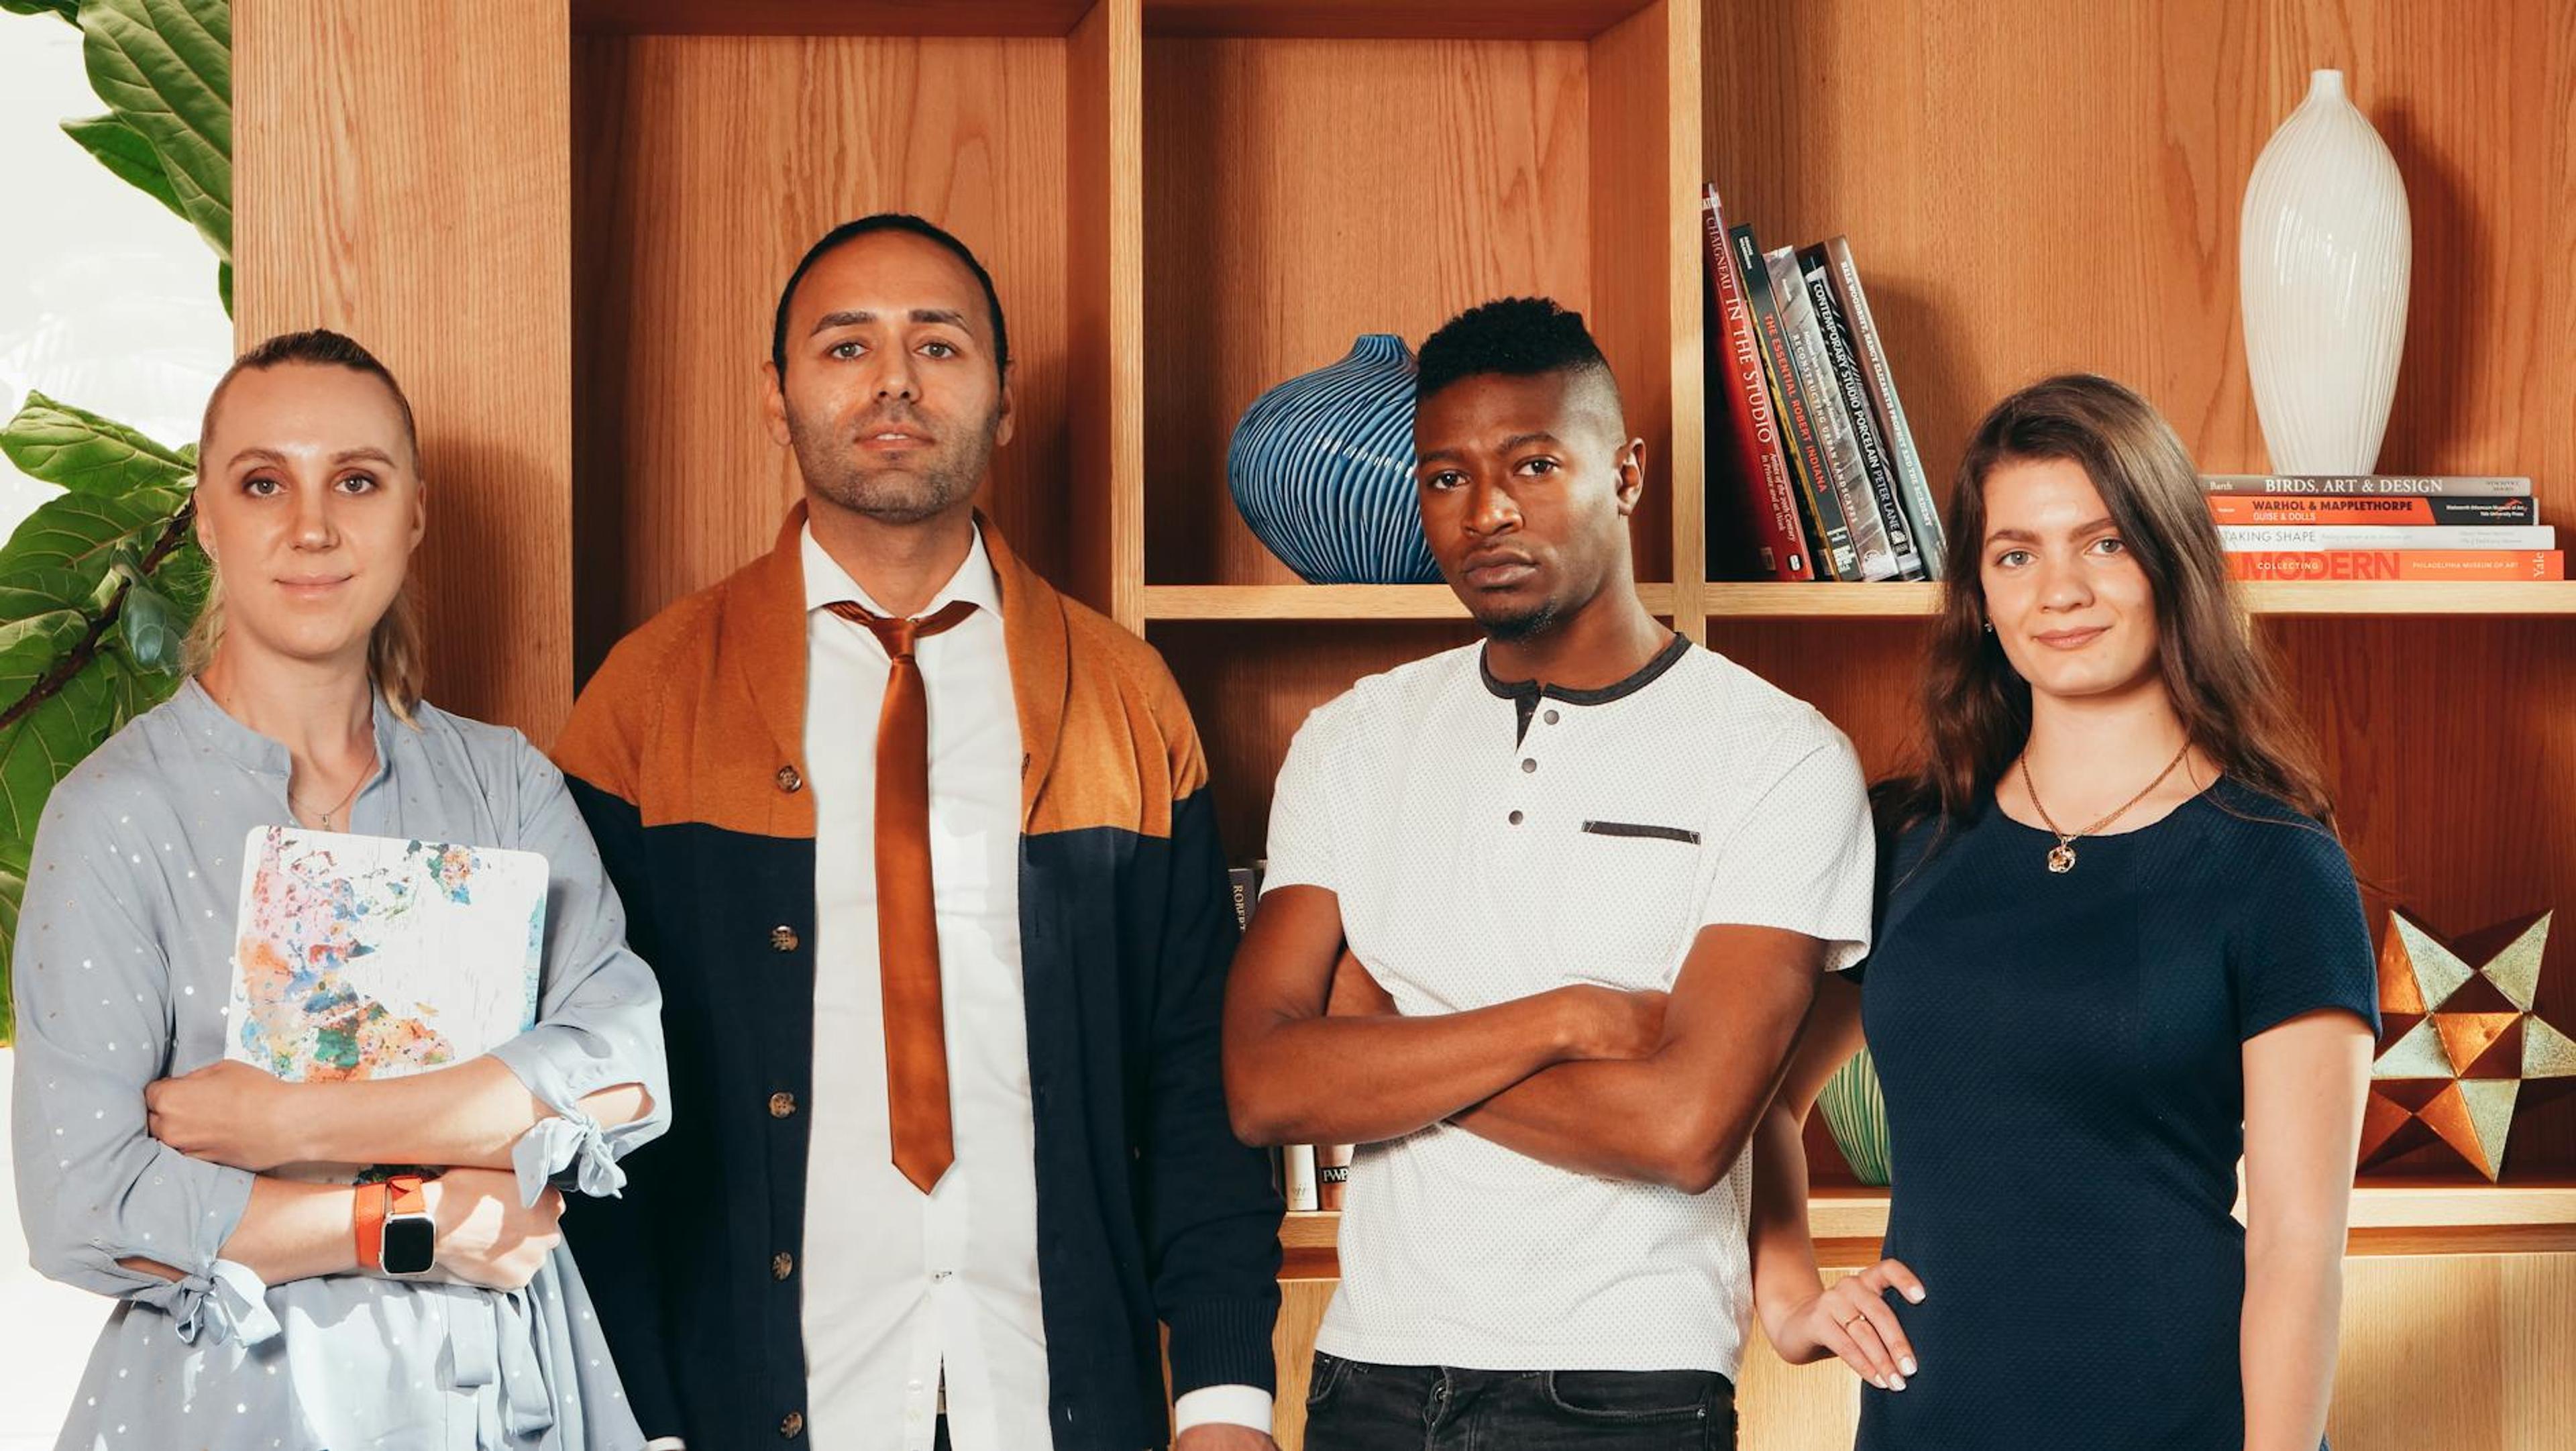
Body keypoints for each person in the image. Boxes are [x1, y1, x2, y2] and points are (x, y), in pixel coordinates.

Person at [553, 213, 1282, 1451]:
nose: (894, 379)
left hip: (1058, 1394)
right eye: (846, 346)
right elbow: (593, 1112)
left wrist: (1223, 1400)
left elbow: (1195, 1083)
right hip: (756, 1404)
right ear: (776, 400)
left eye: (939, 345)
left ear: (1004, 402)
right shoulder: (648, 699)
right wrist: (645, 1424)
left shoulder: (1123, 697)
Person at [1222, 297, 1874, 1449]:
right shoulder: (1353, 737)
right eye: (1445, 478)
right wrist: (1568, 1018)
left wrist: (1385, 1043)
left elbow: (1684, 1131)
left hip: (1621, 1389)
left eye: (1533, 464)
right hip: (1368, 1377)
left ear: (1624, 473)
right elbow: (1266, 1086)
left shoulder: (1777, 757)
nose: (1488, 514)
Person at [9, 327, 672, 1450]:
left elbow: (624, 1069)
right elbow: (84, 1206)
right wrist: (411, 1219)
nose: (312, 527)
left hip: (507, 1399)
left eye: (356, 481)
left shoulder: (506, 781)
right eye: (264, 482)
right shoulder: (114, 815)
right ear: (206, 518)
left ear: (413, 514)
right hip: (235, 1408)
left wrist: (288, 1121)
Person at [1747, 374, 2377, 1451]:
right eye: (2015, 554)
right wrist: (1791, 1303)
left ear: (2171, 562)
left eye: (2104, 543)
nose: (2060, 590)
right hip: (1928, 1422)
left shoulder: (2277, 864)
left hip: (2187, 1418)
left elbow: (2294, 1249)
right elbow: (1754, 1097)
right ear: (1981, 595)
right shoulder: (1902, 841)